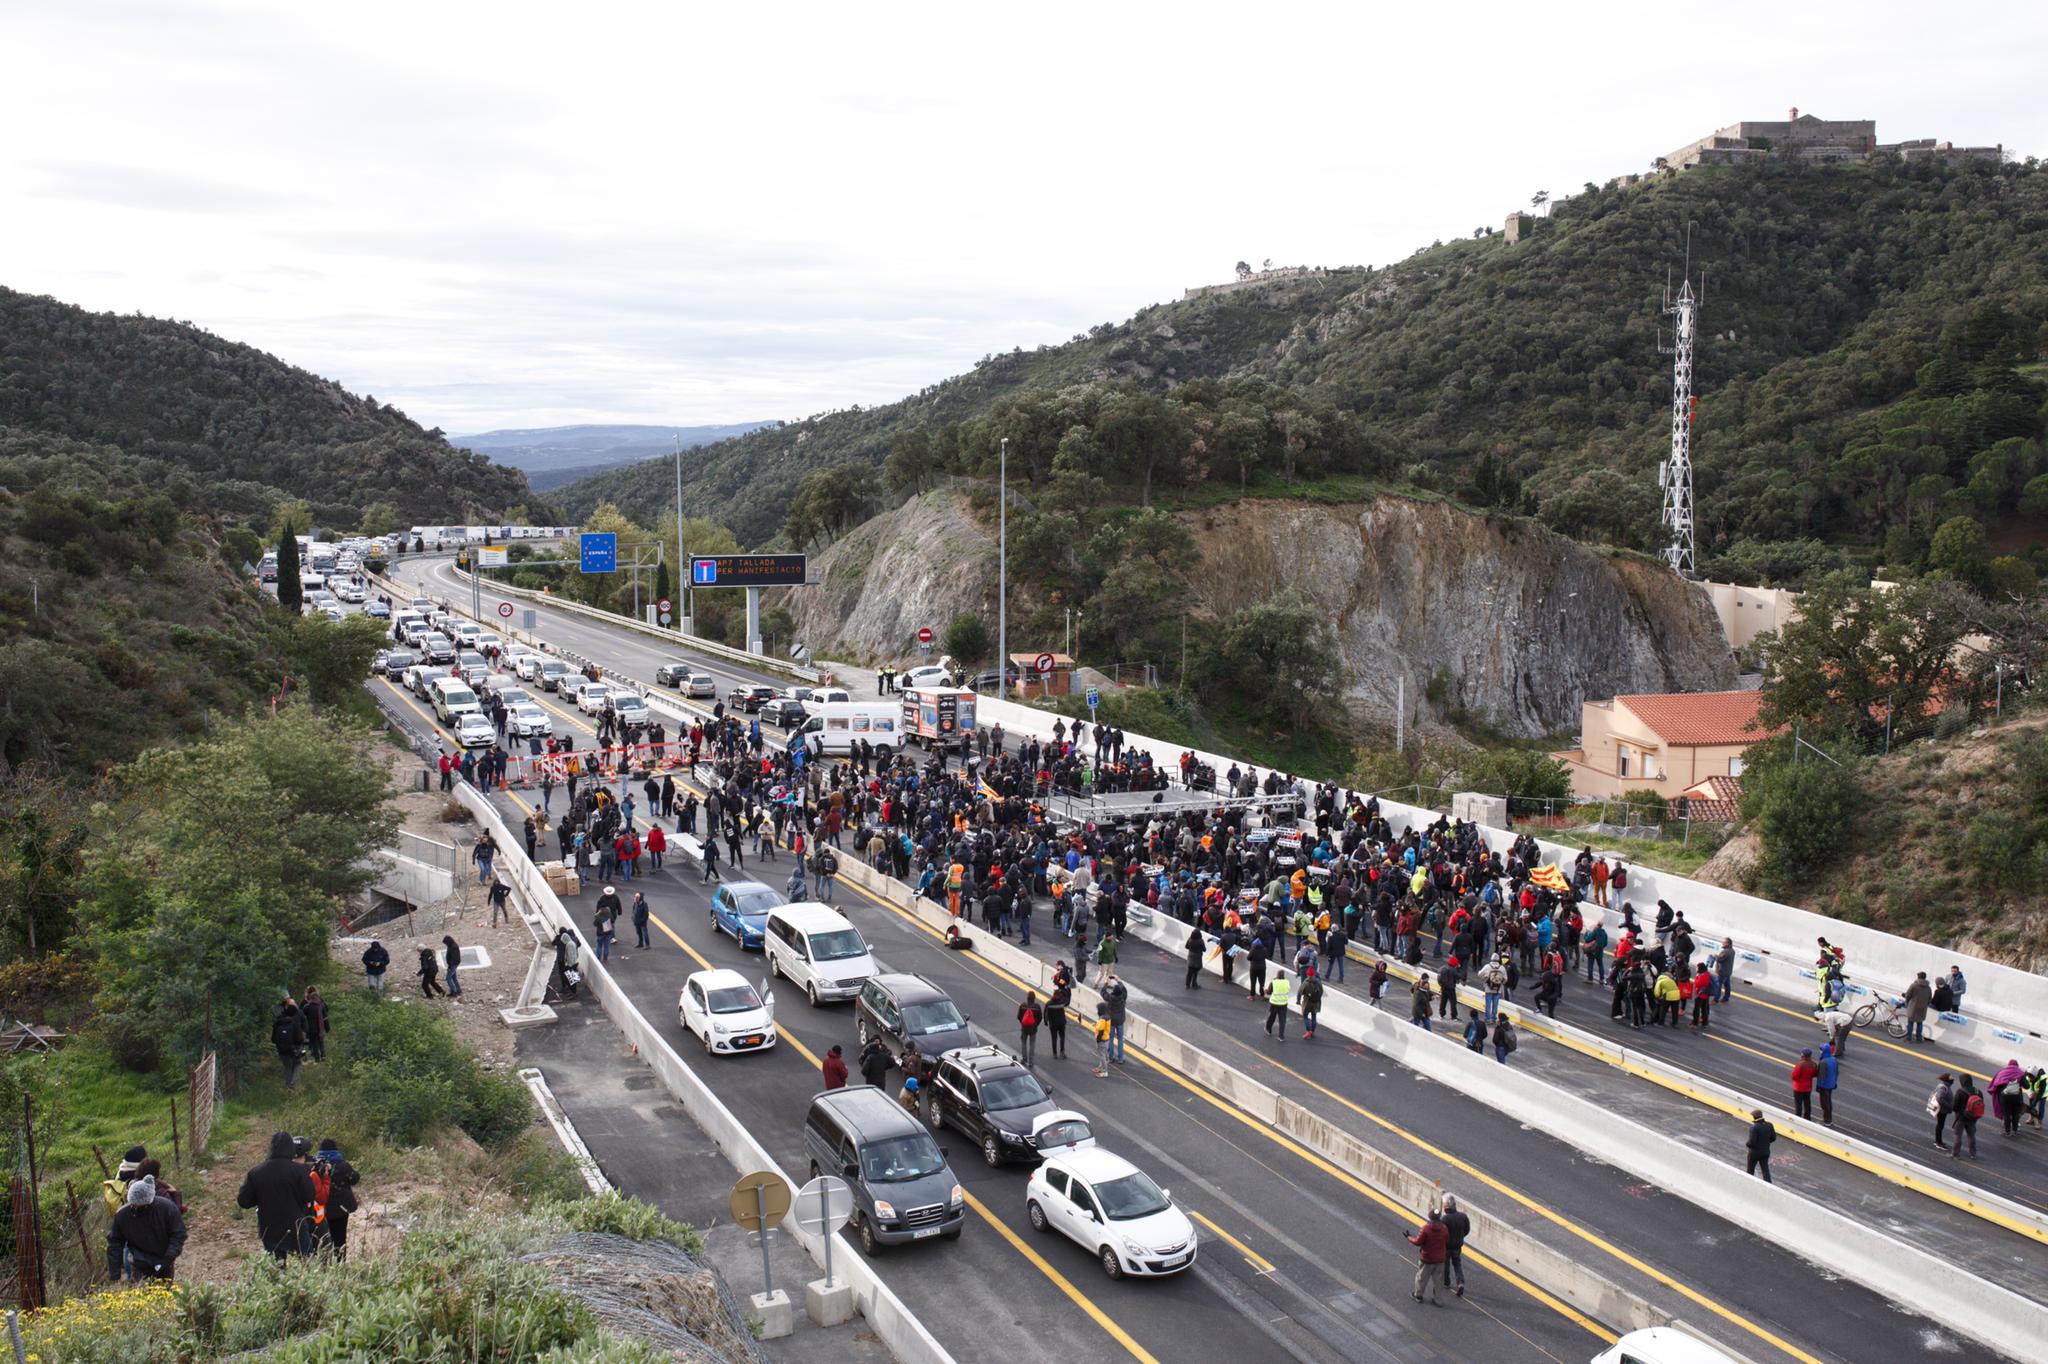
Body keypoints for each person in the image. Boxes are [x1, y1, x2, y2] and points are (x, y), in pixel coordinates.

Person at [237, 1132, 318, 1260]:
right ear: (291, 1149)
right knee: (306, 1263)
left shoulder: (255, 1172)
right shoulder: (299, 1170)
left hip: (269, 1228)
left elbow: (244, 1201)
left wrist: (261, 1198)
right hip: (296, 1226)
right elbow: (309, 1196)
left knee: (276, 1268)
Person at [106, 1174, 185, 1281]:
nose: (136, 1208)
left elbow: (178, 1234)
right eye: (133, 1205)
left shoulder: (167, 1208)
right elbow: (114, 1243)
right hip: (138, 1261)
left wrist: (168, 1258)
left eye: (141, 1206)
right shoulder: (122, 1215)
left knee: (164, 1291)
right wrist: (115, 1275)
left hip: (164, 1257)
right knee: (141, 1292)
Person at [313, 1139, 360, 1259]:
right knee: (340, 1238)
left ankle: (324, 1264)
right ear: (335, 1149)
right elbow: (354, 1179)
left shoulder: (315, 1166)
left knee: (322, 1238)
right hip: (341, 1209)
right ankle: (340, 1263)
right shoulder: (343, 1166)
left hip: (321, 1209)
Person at [1408, 1209, 1448, 1304]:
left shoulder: (1426, 1229)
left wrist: (1409, 1237)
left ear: (1430, 1217)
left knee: (1421, 1278)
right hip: (1440, 1259)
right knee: (1438, 1281)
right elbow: (1447, 1240)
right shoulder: (1444, 1228)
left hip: (1427, 1259)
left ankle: (1418, 1295)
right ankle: (1437, 1300)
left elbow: (1417, 1242)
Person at [272, 996, 307, 1093]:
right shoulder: (294, 1024)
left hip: (282, 1051)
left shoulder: (277, 1024)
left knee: (287, 1066)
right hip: (294, 1049)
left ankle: (288, 1086)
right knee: (297, 1064)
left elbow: (273, 1039)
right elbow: (299, 1039)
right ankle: (293, 1084)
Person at [1439, 1195, 1471, 1297]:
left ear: (1445, 1206)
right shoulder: (1463, 1217)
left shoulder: (1444, 1219)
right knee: (1457, 1264)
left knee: (1446, 1264)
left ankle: (1446, 1282)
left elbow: (1441, 1234)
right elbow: (1467, 1230)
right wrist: (1460, 1237)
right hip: (1457, 1246)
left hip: (1447, 1247)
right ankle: (1460, 1282)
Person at [1991, 1058, 2026, 1138]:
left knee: (2006, 1114)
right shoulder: (2020, 1073)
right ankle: (2015, 1131)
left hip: (2005, 1097)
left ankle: (2007, 1132)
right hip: (2017, 1097)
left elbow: (1996, 1083)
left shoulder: (2002, 1072)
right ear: (2017, 1065)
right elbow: (2027, 1086)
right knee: (2015, 1114)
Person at [1950, 1074, 1982, 1159]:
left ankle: (1955, 1154)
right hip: (1973, 1118)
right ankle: (1973, 1154)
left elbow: (1954, 1107)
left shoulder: (1960, 1092)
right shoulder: (1978, 1091)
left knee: (1958, 1135)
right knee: (1971, 1136)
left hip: (1961, 1118)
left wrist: (1960, 1111)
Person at [1101, 971, 1129, 1064]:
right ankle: (1120, 1058)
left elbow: (1102, 992)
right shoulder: (1123, 997)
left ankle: (1110, 1057)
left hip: (1111, 1020)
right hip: (1120, 1020)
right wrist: (1119, 980)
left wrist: (1106, 982)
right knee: (1120, 1039)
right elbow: (1124, 990)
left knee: (1111, 1038)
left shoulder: (1109, 997)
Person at [1745, 1109, 1776, 1183]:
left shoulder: (1754, 1127)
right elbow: (1773, 1138)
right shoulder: (1769, 1125)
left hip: (1754, 1153)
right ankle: (1768, 1184)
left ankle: (1748, 1183)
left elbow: (1752, 1142)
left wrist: (1747, 1144)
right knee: (1765, 1170)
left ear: (1754, 1117)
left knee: (1750, 1169)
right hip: (1765, 1151)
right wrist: (1764, 1143)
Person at [1902, 972, 1933, 1044]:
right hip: (1922, 1008)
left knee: (1910, 1022)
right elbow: (1930, 999)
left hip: (1913, 1007)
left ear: (1918, 977)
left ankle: (1908, 1038)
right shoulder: (1928, 988)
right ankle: (1919, 1038)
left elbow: (1908, 995)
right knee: (1920, 1023)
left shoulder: (1914, 985)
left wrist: (1907, 1001)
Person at [301, 986, 329, 1063]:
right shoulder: (321, 1005)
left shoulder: (307, 1006)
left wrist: (304, 1027)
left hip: (311, 1028)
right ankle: (323, 1055)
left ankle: (317, 1059)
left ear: (310, 997)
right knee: (321, 1042)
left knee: (314, 1044)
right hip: (320, 1028)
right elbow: (325, 1017)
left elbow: (302, 1015)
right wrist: (327, 1027)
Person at [1814, 1042, 1839, 1127]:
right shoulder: (1833, 1059)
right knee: (1828, 1102)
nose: (1820, 1051)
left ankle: (1826, 1121)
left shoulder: (1823, 1062)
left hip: (1824, 1086)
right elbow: (1836, 1072)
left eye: (1821, 1050)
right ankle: (1828, 1119)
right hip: (1831, 1084)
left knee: (1825, 1103)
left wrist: (1819, 1086)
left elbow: (1822, 1076)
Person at [1790, 1048, 1818, 1120]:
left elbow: (1794, 1076)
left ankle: (1798, 1117)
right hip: (1808, 1087)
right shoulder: (1813, 1064)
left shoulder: (1800, 1064)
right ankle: (1807, 1117)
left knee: (1798, 1104)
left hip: (1799, 1088)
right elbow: (1815, 1074)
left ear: (1802, 1055)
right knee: (1807, 1103)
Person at [1264, 971, 1292, 1040]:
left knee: (1271, 1017)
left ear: (1277, 975)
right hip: (1283, 1003)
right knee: (1282, 1020)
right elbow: (1288, 990)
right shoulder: (1287, 982)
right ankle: (1281, 1036)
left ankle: (1268, 1029)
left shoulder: (1274, 982)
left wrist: (1265, 990)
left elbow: (1269, 992)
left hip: (1274, 1003)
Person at [1018, 991, 1042, 1066]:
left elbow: (1019, 1016)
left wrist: (1023, 1023)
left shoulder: (1023, 1005)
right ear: (1034, 998)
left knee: (1023, 1043)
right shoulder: (1037, 1007)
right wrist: (1035, 1024)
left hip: (1024, 1028)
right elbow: (1040, 1017)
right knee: (1032, 1044)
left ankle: (1024, 1059)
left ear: (1027, 998)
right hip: (1033, 1029)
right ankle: (1031, 1062)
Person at [1299, 968, 1323, 1040]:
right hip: (1316, 1002)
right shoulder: (1318, 982)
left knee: (1305, 1016)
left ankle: (1308, 1030)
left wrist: (1298, 1000)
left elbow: (1300, 991)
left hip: (1307, 1002)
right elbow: (1321, 992)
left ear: (1307, 974)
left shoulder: (1306, 982)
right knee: (1314, 1016)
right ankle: (1312, 1031)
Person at [1091, 1005, 1113, 1077]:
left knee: (1102, 1056)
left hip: (1102, 1040)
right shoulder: (1107, 1017)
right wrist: (1096, 1024)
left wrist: (1098, 1040)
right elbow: (1102, 1027)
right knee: (1102, 1055)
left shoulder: (1103, 1019)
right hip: (1106, 1039)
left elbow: (1101, 1031)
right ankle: (1100, 1068)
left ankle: (1104, 1072)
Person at [1184, 924, 1206, 989]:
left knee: (1189, 971)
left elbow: (1186, 947)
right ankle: (1194, 984)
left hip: (1191, 955)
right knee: (1195, 971)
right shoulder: (1201, 941)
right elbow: (1204, 949)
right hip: (1198, 957)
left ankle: (1187, 984)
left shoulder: (1190, 939)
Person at [443, 935, 464, 999]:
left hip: (453, 965)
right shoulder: (452, 945)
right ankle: (458, 990)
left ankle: (454, 992)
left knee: (448, 978)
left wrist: (450, 966)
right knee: (453, 977)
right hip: (453, 964)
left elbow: (454, 958)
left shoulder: (453, 947)